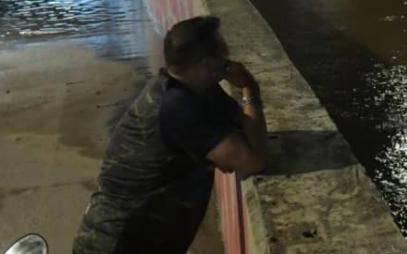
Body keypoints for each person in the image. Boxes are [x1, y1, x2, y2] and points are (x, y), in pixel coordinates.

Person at [73, 16, 268, 254]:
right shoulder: (177, 106)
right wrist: (249, 87)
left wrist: (228, 149)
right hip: (118, 243)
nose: (228, 58)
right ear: (207, 64)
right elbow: (253, 161)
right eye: (223, 52)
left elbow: (241, 130)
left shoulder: (198, 89)